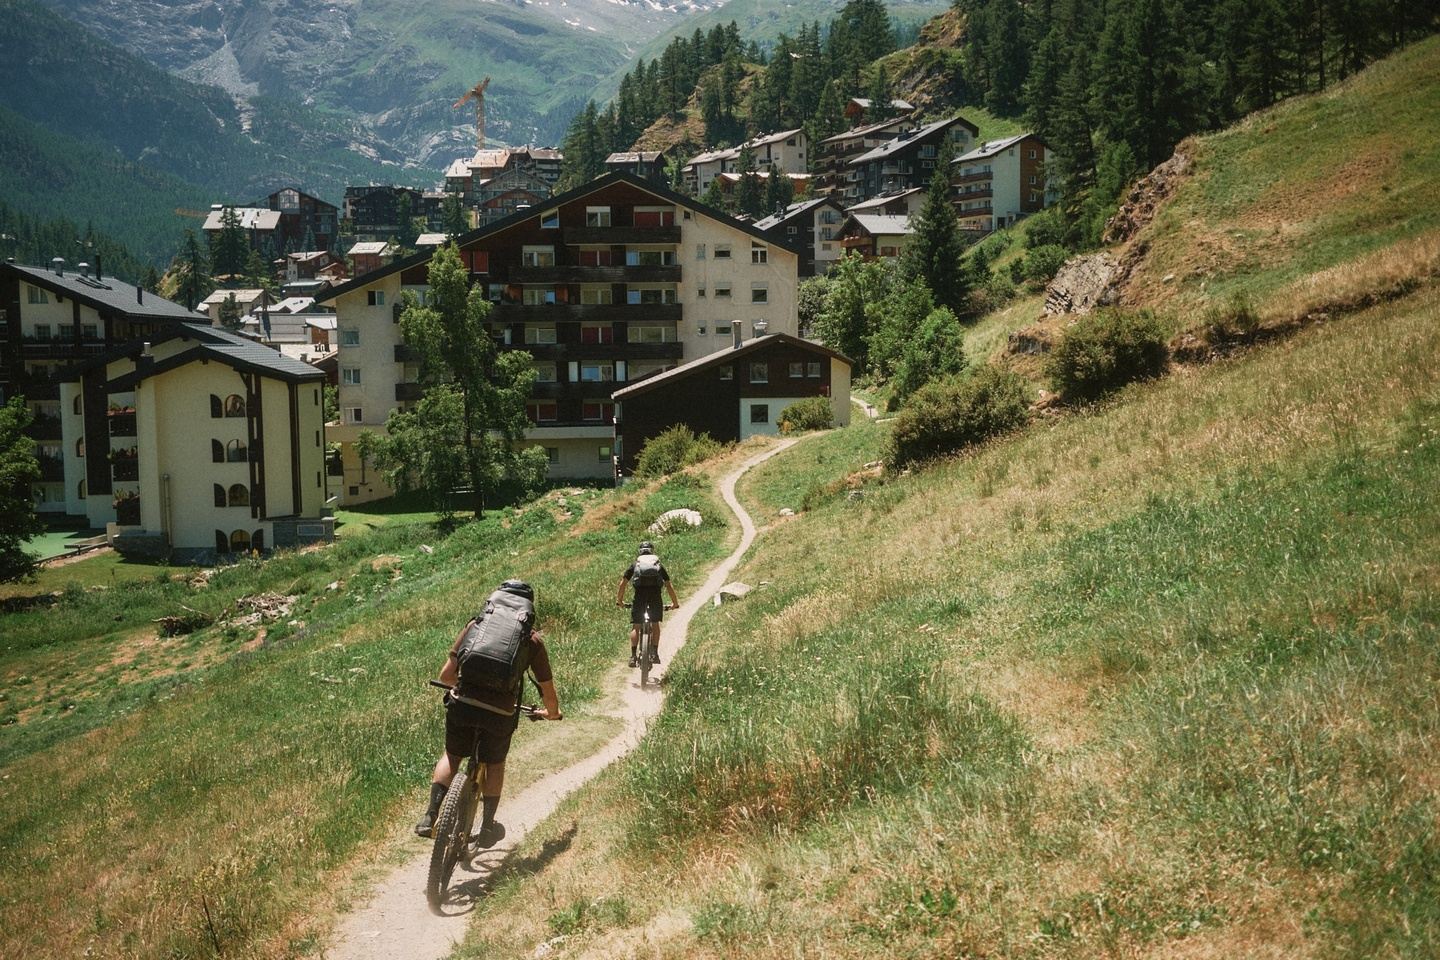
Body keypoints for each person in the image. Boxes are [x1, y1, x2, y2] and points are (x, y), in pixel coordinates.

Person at [415, 580, 562, 842]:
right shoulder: (532, 641)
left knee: (451, 756)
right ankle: (487, 827)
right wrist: (551, 713)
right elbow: (548, 691)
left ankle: (430, 815)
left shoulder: (475, 626)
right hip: (500, 714)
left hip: (463, 705)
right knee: (495, 763)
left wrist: (464, 687)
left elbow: (446, 675)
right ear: (528, 609)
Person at [615, 540, 679, 667]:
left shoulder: (636, 564)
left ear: (640, 552)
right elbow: (668, 585)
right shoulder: (658, 565)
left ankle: (633, 656)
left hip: (639, 595)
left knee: (636, 626)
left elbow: (623, 583)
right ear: (652, 551)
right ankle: (654, 653)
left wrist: (620, 600)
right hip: (655, 595)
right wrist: (674, 603)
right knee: (655, 624)